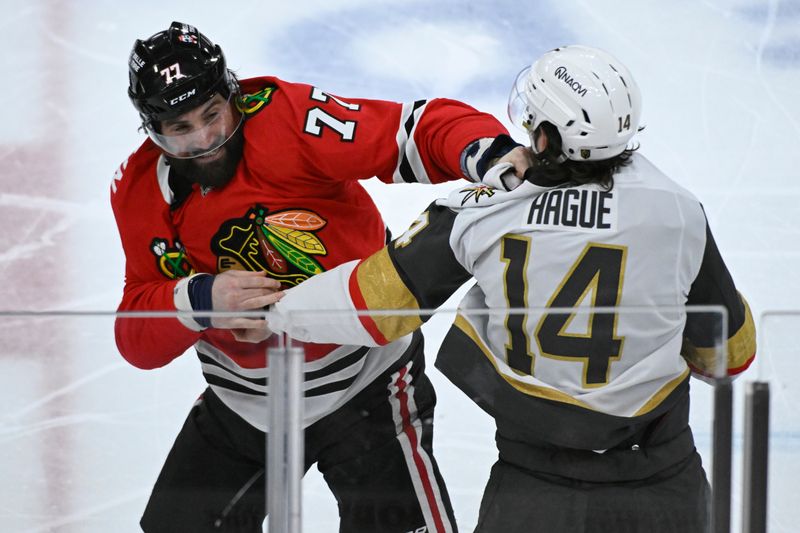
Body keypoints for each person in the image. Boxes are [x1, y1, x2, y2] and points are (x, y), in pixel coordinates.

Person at [264, 45, 757, 532]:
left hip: (535, 485)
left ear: (545, 136)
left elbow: (373, 307)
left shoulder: (481, 211)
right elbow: (731, 356)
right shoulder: (677, 210)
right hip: (661, 481)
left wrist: (276, 309)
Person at [110, 21, 531, 533]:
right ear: (151, 130)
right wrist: (198, 298)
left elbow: (410, 131)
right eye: (179, 130)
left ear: (232, 93)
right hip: (245, 403)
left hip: (367, 385)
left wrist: (484, 149)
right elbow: (136, 338)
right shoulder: (139, 191)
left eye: (213, 115)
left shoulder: (288, 118)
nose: (205, 142)